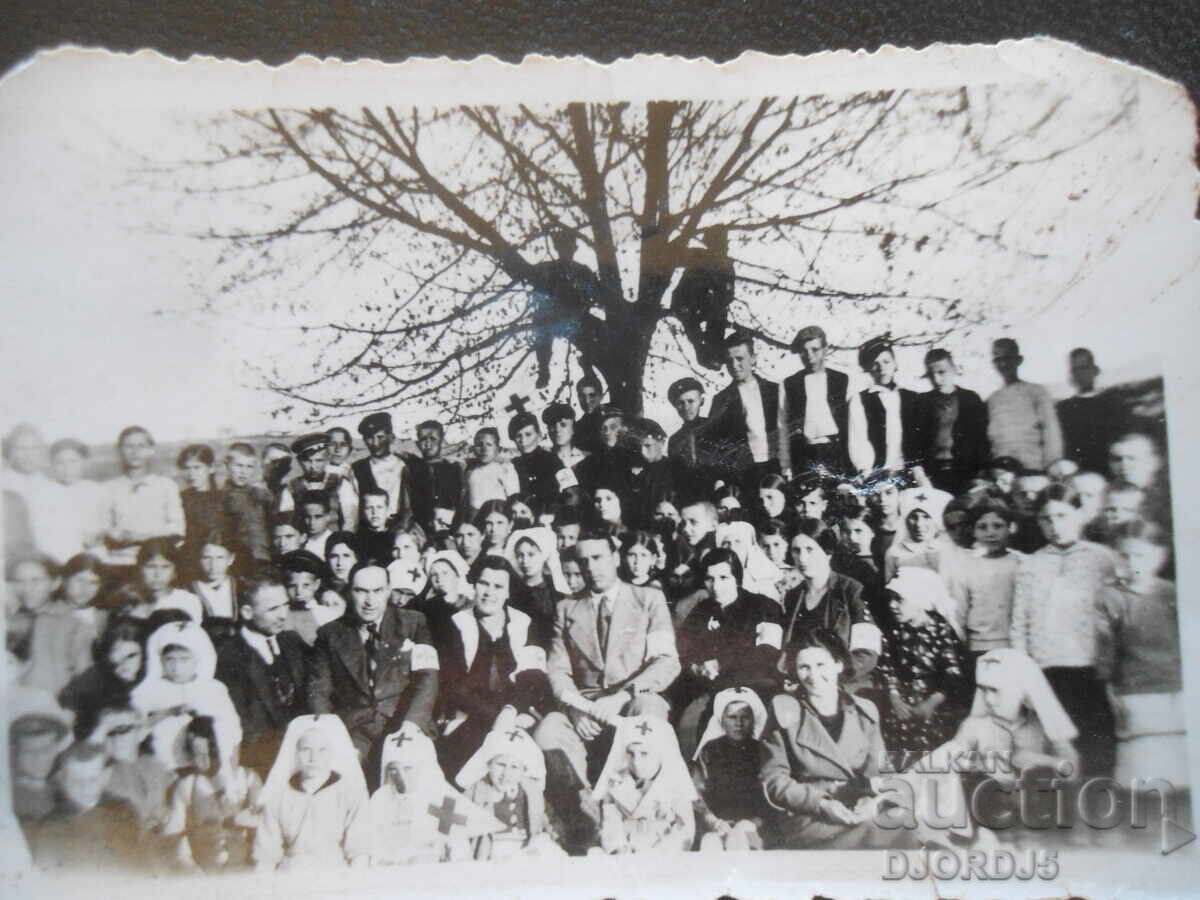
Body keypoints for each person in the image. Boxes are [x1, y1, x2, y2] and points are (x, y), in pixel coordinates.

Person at [534, 530, 680, 833]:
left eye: (598, 557)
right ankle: (589, 822)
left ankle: (644, 820)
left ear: (615, 558)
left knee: (650, 709)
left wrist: (623, 696)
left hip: (630, 702)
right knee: (548, 729)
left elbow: (666, 660)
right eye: (584, 560)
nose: (591, 567)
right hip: (583, 708)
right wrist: (575, 710)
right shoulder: (566, 608)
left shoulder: (648, 599)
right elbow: (558, 670)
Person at [760, 629, 917, 850]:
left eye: (821, 665)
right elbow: (774, 781)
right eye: (804, 667)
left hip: (859, 809)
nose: (813, 676)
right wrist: (822, 804)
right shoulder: (784, 710)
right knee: (887, 836)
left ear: (839, 664)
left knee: (913, 826)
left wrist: (869, 802)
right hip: (809, 817)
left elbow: (879, 772)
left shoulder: (865, 711)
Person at [1010, 483, 1117, 779]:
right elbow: (1019, 621)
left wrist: (1109, 663)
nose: (1054, 525)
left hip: (1091, 666)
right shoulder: (1031, 565)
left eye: (1062, 515)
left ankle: (1099, 808)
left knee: (1097, 742)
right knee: (1056, 746)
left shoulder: (1102, 559)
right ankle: (1062, 812)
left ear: (1079, 515)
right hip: (1047, 668)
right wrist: (1023, 670)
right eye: (1046, 518)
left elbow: (1114, 613)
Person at [926, 648, 1080, 835]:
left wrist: (1041, 760)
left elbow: (1070, 770)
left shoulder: (1041, 724)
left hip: (1033, 810)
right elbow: (948, 758)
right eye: (984, 690)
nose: (989, 699)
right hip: (989, 809)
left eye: (996, 690)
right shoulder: (975, 724)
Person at [307, 561, 439, 773]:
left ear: (388, 591)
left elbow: (428, 678)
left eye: (377, 591)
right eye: (361, 591)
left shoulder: (414, 622)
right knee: (342, 775)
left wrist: (410, 726)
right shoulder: (329, 634)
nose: (370, 601)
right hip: (355, 730)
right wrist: (328, 734)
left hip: (404, 722)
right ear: (350, 592)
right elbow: (319, 689)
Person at [438, 555, 553, 776]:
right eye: (484, 584)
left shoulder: (524, 623)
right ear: (474, 585)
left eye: (498, 586)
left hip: (519, 712)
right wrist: (496, 716)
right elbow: (453, 686)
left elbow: (533, 679)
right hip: (472, 714)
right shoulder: (456, 624)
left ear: (508, 592)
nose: (490, 593)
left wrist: (510, 712)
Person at [1095, 522, 1185, 786]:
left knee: (1178, 762)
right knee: (1146, 771)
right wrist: (1110, 689)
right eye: (1125, 555)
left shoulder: (1172, 593)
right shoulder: (1110, 597)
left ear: (1160, 556)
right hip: (1135, 689)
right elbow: (1105, 648)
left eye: (1141, 555)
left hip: (1176, 687)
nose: (1133, 562)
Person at [673, 548, 782, 751]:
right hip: (704, 683)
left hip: (750, 682)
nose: (716, 586)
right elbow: (683, 648)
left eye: (724, 577)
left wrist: (720, 664)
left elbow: (767, 652)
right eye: (709, 579)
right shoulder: (701, 610)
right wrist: (696, 668)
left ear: (737, 578)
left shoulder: (764, 606)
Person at [215, 571, 311, 777]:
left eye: (285, 605)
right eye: (273, 608)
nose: (283, 615)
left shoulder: (291, 641)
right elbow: (243, 724)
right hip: (261, 757)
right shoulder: (230, 656)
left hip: (303, 749)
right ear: (248, 612)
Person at [369, 725, 500, 865]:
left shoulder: (443, 799)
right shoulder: (380, 798)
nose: (401, 777)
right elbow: (370, 842)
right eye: (393, 770)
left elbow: (459, 853)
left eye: (408, 768)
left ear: (423, 767)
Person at [254, 715, 371, 871]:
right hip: (289, 876)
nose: (313, 758)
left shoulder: (350, 792)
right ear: (295, 753)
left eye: (322, 750)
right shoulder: (280, 794)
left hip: (334, 876)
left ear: (332, 752)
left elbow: (360, 850)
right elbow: (266, 855)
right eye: (305, 750)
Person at [130, 620, 242, 772]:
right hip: (161, 770)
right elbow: (133, 731)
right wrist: (167, 713)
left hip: (206, 770)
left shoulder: (214, 689)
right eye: (170, 659)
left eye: (184, 659)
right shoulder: (146, 692)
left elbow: (232, 732)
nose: (177, 667)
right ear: (159, 659)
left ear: (198, 658)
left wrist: (230, 772)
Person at [879, 567, 968, 755]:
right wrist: (894, 697)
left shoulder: (940, 630)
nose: (892, 605)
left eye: (900, 600)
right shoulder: (895, 631)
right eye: (891, 599)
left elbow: (953, 673)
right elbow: (888, 667)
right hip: (902, 703)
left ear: (919, 600)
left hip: (935, 705)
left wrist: (932, 702)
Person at [22, 741, 145, 872]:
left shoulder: (123, 810)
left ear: (105, 776)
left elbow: (136, 863)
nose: (85, 788)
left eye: (92, 780)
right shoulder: (51, 825)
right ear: (62, 779)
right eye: (76, 781)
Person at [456, 717, 565, 860]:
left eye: (514, 767)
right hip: (492, 849)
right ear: (488, 765)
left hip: (525, 848)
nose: (505, 774)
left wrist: (549, 835)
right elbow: (455, 821)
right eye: (500, 765)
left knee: (548, 849)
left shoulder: (531, 792)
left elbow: (546, 820)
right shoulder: (476, 792)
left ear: (524, 771)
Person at [164, 715, 262, 872]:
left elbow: (267, 827)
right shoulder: (186, 786)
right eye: (197, 754)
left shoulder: (247, 779)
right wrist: (192, 871)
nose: (203, 761)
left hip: (243, 870)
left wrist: (240, 818)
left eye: (209, 753)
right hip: (204, 873)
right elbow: (173, 836)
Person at [590, 715, 697, 856]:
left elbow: (685, 829)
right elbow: (611, 822)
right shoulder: (615, 783)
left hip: (663, 853)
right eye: (630, 753)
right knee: (594, 854)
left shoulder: (676, 784)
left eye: (644, 753)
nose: (636, 762)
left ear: (661, 753)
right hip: (627, 852)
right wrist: (618, 848)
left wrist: (663, 851)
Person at [943, 498, 1023, 670]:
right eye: (983, 527)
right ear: (974, 531)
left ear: (1011, 528)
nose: (991, 533)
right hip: (978, 646)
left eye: (998, 526)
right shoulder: (965, 566)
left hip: (1015, 645)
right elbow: (959, 613)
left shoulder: (1021, 563)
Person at [691, 687, 772, 851]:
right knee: (710, 843)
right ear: (722, 721)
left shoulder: (764, 751)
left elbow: (772, 797)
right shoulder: (709, 750)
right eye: (732, 717)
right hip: (717, 824)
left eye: (745, 717)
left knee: (743, 839)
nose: (739, 723)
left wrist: (753, 822)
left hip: (756, 827)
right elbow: (695, 792)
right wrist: (712, 821)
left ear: (753, 720)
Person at [781, 519, 871, 656]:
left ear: (828, 553)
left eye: (809, 550)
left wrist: (840, 670)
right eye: (796, 551)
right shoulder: (793, 596)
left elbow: (867, 651)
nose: (802, 558)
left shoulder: (851, 590)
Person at [705, 331, 782, 488]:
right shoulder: (721, 400)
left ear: (753, 358)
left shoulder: (776, 392)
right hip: (742, 475)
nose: (734, 365)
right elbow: (715, 446)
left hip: (777, 469)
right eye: (729, 361)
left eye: (739, 359)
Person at [23, 552, 106, 697]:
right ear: (65, 580)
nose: (85, 588)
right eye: (79, 580)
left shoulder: (103, 617)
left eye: (93, 583)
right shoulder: (46, 613)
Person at [909, 348, 990, 494]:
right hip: (932, 474)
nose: (936, 379)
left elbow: (982, 440)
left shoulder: (970, 399)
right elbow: (913, 443)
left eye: (941, 372)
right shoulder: (921, 402)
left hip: (966, 473)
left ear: (954, 370)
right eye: (931, 374)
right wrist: (920, 475)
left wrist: (980, 474)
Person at [103, 425, 185, 568]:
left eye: (141, 446)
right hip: (119, 563)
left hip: (156, 564)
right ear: (119, 450)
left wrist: (142, 537)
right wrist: (120, 536)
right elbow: (104, 527)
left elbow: (176, 528)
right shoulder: (109, 488)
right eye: (129, 446)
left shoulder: (166, 486)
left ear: (151, 450)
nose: (135, 452)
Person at [90, 705, 173, 838]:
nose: (116, 738)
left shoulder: (155, 765)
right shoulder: (101, 781)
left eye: (123, 730)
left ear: (140, 733)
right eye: (109, 732)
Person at [781, 324, 851, 477]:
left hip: (834, 449)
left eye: (815, 350)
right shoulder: (792, 383)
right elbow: (785, 425)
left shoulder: (841, 380)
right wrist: (786, 464)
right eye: (804, 351)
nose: (810, 356)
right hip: (805, 451)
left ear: (825, 350)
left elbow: (853, 422)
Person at [59, 618, 146, 741]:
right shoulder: (94, 679)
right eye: (117, 654)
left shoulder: (147, 676)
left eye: (131, 656)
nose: (125, 664)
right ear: (108, 655)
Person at [986, 338, 1064, 472]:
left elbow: (1051, 434)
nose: (1003, 364)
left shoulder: (1037, 392)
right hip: (1002, 472)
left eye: (1008, 358)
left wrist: (1052, 466)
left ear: (1018, 360)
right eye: (998, 360)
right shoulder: (992, 400)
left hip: (1033, 469)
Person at [847, 336, 919, 477]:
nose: (881, 368)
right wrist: (867, 471)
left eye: (886, 361)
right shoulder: (860, 400)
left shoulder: (911, 398)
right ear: (868, 368)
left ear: (895, 364)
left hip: (912, 473)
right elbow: (858, 441)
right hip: (878, 474)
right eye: (875, 363)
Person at [40, 438, 105, 567]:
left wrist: (98, 536)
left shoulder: (97, 491)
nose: (67, 468)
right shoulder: (44, 492)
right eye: (60, 462)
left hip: (89, 557)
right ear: (52, 464)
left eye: (73, 461)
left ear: (84, 462)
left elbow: (103, 526)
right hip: (56, 557)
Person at [9, 694, 73, 823]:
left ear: (56, 748)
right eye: (29, 751)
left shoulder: (62, 785)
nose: (39, 758)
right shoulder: (11, 796)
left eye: (46, 749)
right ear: (15, 752)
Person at [1056, 348, 1120, 474]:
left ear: (1095, 370)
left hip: (1109, 471)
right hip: (1077, 474)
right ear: (1071, 375)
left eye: (1084, 367)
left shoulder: (1112, 403)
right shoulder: (1063, 408)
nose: (1080, 374)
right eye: (1075, 369)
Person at [279, 433, 359, 532]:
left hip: (334, 541)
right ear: (299, 461)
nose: (313, 466)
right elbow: (287, 521)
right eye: (308, 461)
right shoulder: (291, 487)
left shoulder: (341, 484)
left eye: (319, 460)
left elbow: (351, 520)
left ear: (327, 459)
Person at [351, 412, 412, 530]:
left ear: (391, 437)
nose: (375, 443)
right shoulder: (357, 468)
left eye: (380, 437)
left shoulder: (404, 466)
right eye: (369, 438)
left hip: (400, 528)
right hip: (368, 531)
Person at [120, 538, 204, 622]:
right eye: (151, 566)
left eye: (165, 567)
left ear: (174, 571)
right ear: (140, 569)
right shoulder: (129, 602)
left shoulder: (187, 601)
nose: (158, 574)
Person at [403, 420, 465, 533]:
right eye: (423, 439)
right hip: (420, 527)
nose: (427, 443)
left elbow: (460, 502)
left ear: (441, 441)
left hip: (449, 527)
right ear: (417, 443)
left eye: (433, 439)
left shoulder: (454, 469)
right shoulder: (412, 469)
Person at [884, 486, 955, 580]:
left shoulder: (948, 549)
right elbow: (890, 587)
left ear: (936, 520)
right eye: (913, 517)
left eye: (926, 517)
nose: (919, 524)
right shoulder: (895, 552)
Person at [220, 441, 273, 566]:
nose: (243, 472)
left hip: (264, 557)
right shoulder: (221, 497)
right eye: (239, 465)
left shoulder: (262, 494)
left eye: (249, 467)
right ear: (227, 465)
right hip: (239, 560)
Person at [281, 548, 344, 646]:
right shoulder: (281, 615)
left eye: (306, 585)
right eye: (292, 586)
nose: (299, 592)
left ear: (316, 584)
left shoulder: (328, 615)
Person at [574, 405, 638, 497]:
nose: (607, 432)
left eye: (613, 427)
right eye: (603, 428)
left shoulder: (634, 459)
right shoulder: (588, 463)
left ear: (623, 429)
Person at [508, 407, 563, 512]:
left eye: (528, 434)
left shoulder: (553, 460)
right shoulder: (514, 464)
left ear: (539, 436)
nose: (523, 440)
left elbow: (569, 489)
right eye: (518, 436)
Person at [190, 532, 240, 644]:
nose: (213, 565)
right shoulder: (189, 591)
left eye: (220, 558)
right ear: (198, 559)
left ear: (231, 559)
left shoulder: (242, 588)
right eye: (207, 558)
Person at [715, 519, 783, 602]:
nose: (732, 548)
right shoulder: (713, 580)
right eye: (726, 543)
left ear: (749, 549)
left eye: (738, 542)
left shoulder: (764, 584)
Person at [666, 376, 714, 486]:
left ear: (701, 401)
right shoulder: (675, 440)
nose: (686, 407)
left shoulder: (714, 428)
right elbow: (675, 477)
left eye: (691, 401)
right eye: (680, 403)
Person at [465, 427, 521, 513]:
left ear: (498, 449)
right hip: (474, 517)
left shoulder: (504, 468)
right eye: (479, 445)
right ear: (473, 449)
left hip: (496, 515)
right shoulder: (471, 470)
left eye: (489, 444)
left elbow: (513, 496)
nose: (484, 449)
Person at [543, 402, 588, 478]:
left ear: (573, 428)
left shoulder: (586, 458)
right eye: (552, 425)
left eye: (563, 425)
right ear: (548, 430)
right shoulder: (543, 460)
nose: (557, 429)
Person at [573, 375, 606, 455]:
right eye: (582, 396)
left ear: (601, 396)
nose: (587, 401)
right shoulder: (577, 427)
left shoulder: (611, 422)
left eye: (592, 395)